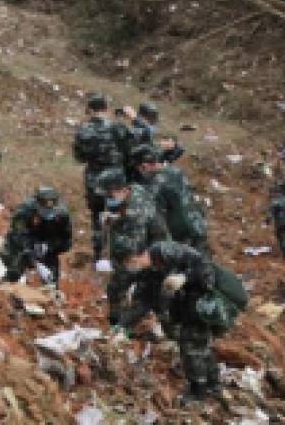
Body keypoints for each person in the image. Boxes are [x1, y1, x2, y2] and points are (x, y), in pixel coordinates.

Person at [127, 241, 246, 406]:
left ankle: (198, 392)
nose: (133, 266)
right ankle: (213, 385)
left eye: (134, 261)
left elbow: (203, 266)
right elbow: (144, 302)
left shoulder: (166, 251)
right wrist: (123, 325)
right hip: (189, 308)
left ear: (143, 254)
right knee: (202, 346)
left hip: (203, 304)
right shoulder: (148, 272)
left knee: (190, 347)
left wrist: (185, 277)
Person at [99, 167, 170, 329]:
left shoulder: (135, 213)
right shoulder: (134, 190)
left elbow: (131, 249)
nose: (108, 199)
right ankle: (121, 325)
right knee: (122, 289)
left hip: (151, 254)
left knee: (131, 290)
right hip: (148, 247)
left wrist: (112, 225)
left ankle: (120, 327)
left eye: (110, 195)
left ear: (123, 190)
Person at [73, 92, 133, 255]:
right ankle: (118, 254)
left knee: (97, 217)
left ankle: (99, 255)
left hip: (94, 179)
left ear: (90, 110)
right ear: (106, 109)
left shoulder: (83, 131)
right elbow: (131, 150)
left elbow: (79, 157)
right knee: (118, 216)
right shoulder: (118, 127)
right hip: (116, 179)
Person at [136, 145, 209, 251]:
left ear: (145, 166)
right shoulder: (176, 171)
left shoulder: (155, 186)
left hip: (182, 235)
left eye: (140, 169)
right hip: (198, 224)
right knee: (202, 261)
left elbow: (158, 220)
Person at [1, 186, 74, 284]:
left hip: (47, 247)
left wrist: (49, 247)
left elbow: (66, 242)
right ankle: (6, 282)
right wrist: (30, 252)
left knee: (50, 281)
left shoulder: (63, 216)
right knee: (12, 270)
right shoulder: (24, 211)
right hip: (23, 244)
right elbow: (17, 235)